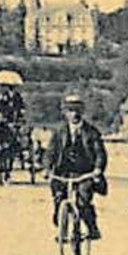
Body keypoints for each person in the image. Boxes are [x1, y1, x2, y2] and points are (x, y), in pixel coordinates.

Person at [46, 93, 107, 240]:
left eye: (77, 110)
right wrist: (47, 169)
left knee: (83, 200)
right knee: (58, 197)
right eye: (70, 110)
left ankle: (92, 228)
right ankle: (62, 227)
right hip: (63, 173)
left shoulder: (91, 132)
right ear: (65, 113)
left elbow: (100, 153)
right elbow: (50, 152)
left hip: (85, 173)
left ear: (82, 112)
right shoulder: (59, 133)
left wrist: (98, 169)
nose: (74, 114)